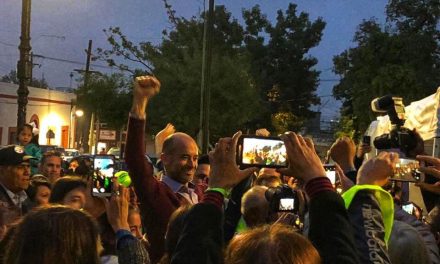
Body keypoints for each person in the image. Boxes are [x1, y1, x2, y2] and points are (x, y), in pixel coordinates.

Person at [124, 75, 201, 262]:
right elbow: (135, 160)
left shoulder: (201, 191)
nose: (191, 164)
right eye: (184, 157)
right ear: (164, 159)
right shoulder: (155, 193)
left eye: (195, 158)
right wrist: (140, 103)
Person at [0, 145, 35, 239]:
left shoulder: (30, 196)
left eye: (28, 166)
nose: (27, 172)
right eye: (20, 167)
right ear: (2, 171)